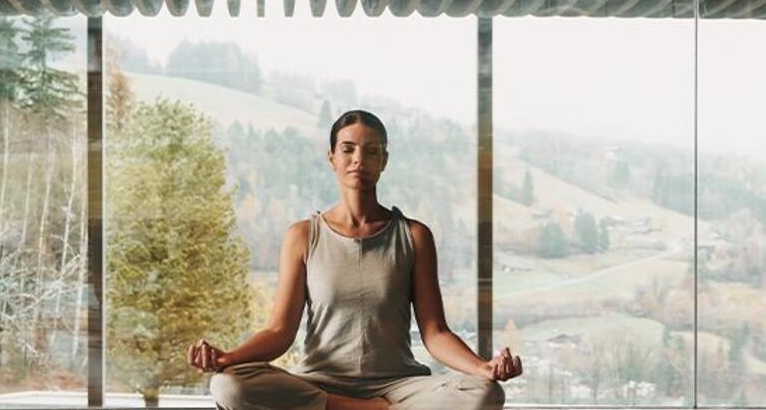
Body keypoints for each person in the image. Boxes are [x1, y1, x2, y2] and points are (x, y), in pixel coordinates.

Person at [187, 109, 522, 409]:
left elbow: (435, 332)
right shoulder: (302, 236)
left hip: (399, 386)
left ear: (384, 161)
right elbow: (279, 331)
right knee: (227, 384)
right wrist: (228, 358)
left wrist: (483, 368)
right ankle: (352, 408)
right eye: (348, 149)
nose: (358, 159)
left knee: (485, 393)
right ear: (331, 157)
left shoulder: (415, 236)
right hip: (320, 383)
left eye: (371, 151)